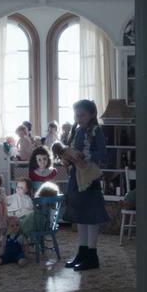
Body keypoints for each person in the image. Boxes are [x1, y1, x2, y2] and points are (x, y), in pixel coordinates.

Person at [62, 100, 110, 272]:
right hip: (76, 178)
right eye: (77, 114)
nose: (79, 117)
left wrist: (84, 157)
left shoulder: (96, 131)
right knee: (81, 216)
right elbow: (71, 151)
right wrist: (67, 158)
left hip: (89, 179)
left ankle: (92, 255)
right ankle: (81, 253)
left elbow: (103, 154)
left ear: (92, 115)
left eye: (83, 114)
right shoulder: (76, 131)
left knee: (91, 216)